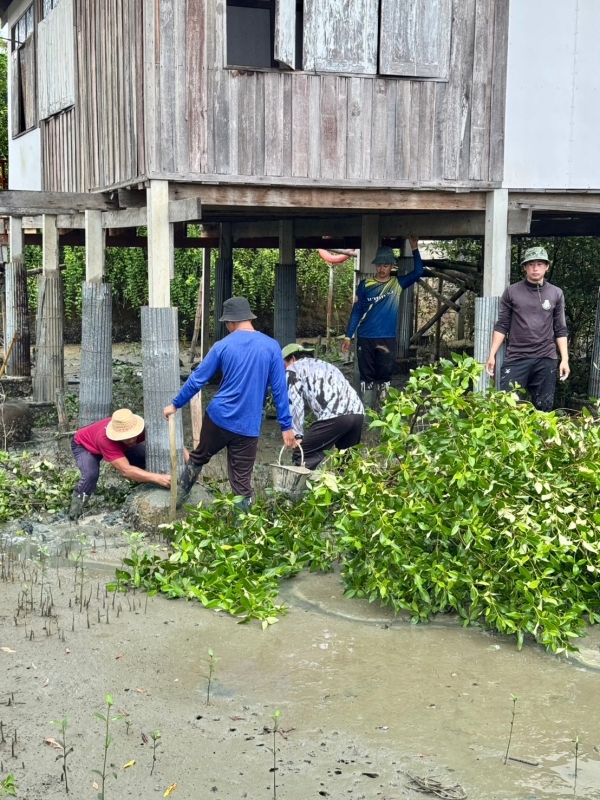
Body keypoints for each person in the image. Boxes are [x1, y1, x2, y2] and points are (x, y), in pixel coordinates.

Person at [163, 297, 296, 509]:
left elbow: (197, 379)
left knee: (198, 457)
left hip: (218, 418)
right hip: (248, 426)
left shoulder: (222, 346)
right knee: (241, 483)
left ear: (230, 322)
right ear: (249, 318)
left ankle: (177, 502)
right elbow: (280, 390)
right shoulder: (272, 347)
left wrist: (175, 404)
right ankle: (240, 525)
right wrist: (286, 426)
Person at [341, 236, 423, 407]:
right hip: (365, 338)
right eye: (379, 265)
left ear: (392, 266)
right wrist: (348, 336)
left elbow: (418, 272)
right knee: (367, 378)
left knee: (384, 377)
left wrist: (414, 248)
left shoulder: (397, 284)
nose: (382, 269)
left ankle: (384, 412)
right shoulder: (365, 285)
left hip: (387, 339)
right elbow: (356, 312)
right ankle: (367, 413)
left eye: (385, 265)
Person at [486, 246, 569, 411]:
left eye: (539, 264)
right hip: (517, 357)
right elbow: (502, 325)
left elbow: (560, 328)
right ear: (525, 267)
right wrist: (492, 355)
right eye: (531, 264)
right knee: (508, 409)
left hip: (546, 357)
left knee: (544, 410)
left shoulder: (556, 293)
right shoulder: (512, 292)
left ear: (547, 266)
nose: (535, 268)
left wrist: (565, 359)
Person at [68, 408, 171, 521]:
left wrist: (185, 460)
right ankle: (74, 513)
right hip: (84, 445)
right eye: (126, 438)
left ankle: (145, 486)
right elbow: (126, 470)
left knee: (144, 457)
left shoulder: (143, 428)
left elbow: (171, 441)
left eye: (133, 436)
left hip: (118, 444)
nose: (131, 440)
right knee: (90, 475)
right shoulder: (105, 440)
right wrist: (158, 478)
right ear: (117, 435)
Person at [283, 344, 364, 470]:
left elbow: (295, 404)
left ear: (292, 358)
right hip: (358, 412)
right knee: (346, 462)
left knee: (303, 455)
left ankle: (299, 483)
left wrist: (297, 435)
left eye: (283, 364)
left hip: (336, 413)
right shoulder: (326, 365)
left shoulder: (293, 369)